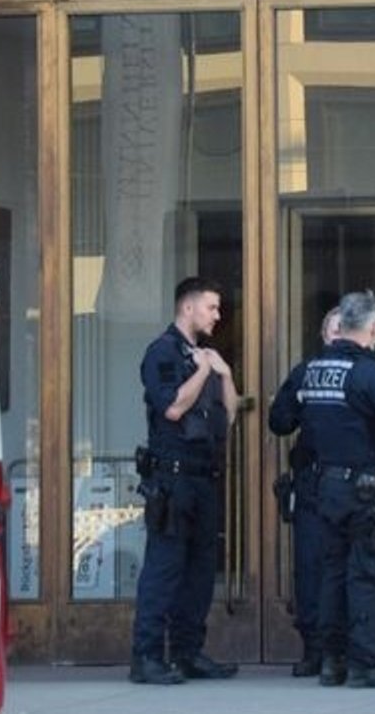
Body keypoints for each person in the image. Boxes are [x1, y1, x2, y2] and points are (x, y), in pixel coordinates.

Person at [288, 289, 375, 688]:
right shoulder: (370, 373)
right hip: (365, 488)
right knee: (366, 574)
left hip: (326, 486)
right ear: (374, 326)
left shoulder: (313, 371)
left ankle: (333, 660)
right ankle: (367, 665)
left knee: (331, 574)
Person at [129, 277, 241, 685]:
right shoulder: (161, 352)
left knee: (199, 571)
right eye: (211, 307)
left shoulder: (205, 357)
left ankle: (187, 652)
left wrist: (224, 376)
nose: (217, 314)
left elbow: (228, 417)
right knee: (164, 568)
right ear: (188, 307)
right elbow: (174, 407)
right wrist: (200, 372)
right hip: (172, 478)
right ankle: (146, 657)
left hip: (203, 478)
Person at [268, 304, 342, 676]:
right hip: (313, 482)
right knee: (311, 567)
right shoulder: (306, 375)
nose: (337, 337)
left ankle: (340, 649)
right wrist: (298, 401)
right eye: (332, 330)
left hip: (350, 485)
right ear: (323, 336)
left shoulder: (368, 373)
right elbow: (278, 421)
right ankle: (314, 648)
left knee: (347, 568)